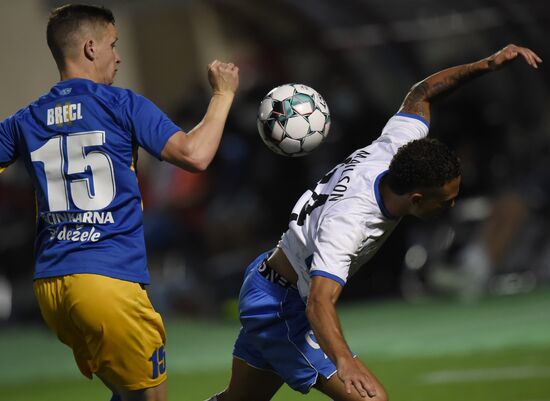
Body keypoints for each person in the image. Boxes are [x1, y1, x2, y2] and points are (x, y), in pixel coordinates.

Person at [206, 44, 541, 401]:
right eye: (446, 200)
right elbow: (319, 303)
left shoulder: (395, 148)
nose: (453, 204)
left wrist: (485, 64)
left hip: (270, 282)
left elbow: (422, 93)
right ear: (416, 199)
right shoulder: (350, 222)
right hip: (282, 306)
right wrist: (344, 361)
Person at [0, 4, 239, 401]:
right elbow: (195, 154)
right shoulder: (121, 104)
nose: (118, 55)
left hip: (52, 288)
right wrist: (222, 95)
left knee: (127, 393)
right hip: (108, 283)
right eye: (113, 44)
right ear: (91, 48)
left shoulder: (25, 119)